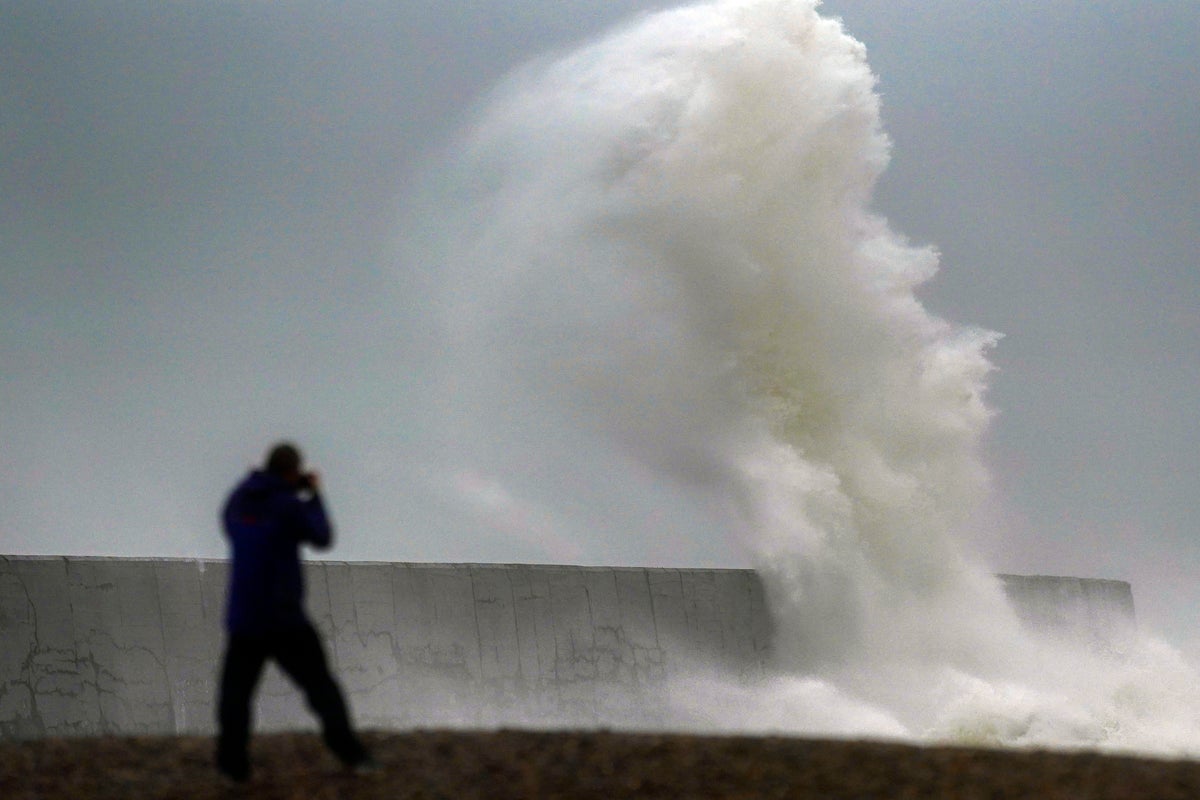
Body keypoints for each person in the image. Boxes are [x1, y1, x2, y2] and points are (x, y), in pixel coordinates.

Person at [215, 441, 375, 783]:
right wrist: (313, 495)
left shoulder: (241, 499)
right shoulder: (288, 505)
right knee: (320, 688)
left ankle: (232, 767)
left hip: (244, 618)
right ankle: (350, 753)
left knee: (235, 696)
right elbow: (322, 537)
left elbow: (229, 522)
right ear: (292, 471)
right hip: (284, 618)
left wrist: (261, 482)